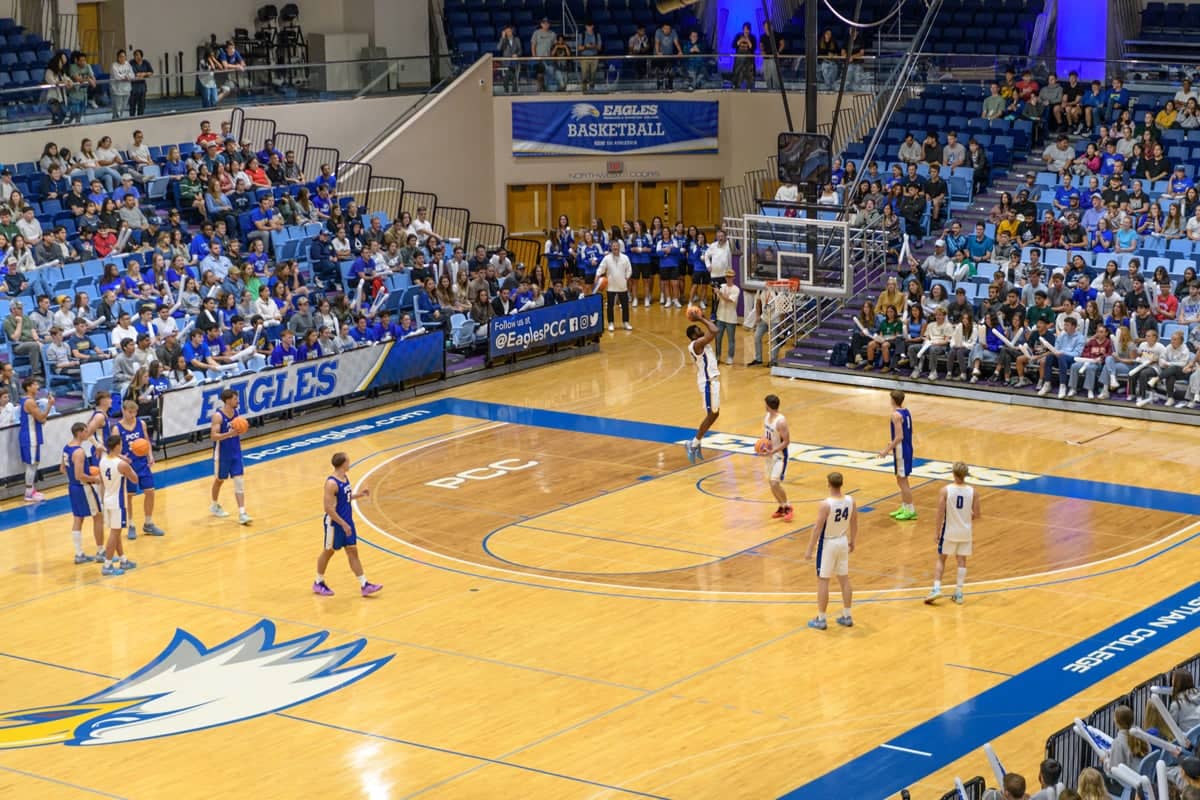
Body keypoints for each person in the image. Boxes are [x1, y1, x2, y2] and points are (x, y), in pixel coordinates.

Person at [313, 452, 383, 597]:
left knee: (352, 551)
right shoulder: (331, 483)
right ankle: (318, 582)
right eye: (348, 461)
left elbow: (346, 497)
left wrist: (360, 495)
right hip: (334, 523)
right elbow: (328, 508)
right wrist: (343, 524)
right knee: (328, 551)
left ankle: (364, 584)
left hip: (346, 521)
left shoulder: (344, 478)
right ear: (343, 464)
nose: (349, 464)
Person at [804, 472, 857, 630]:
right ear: (841, 484)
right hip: (842, 540)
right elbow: (855, 523)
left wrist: (809, 549)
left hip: (828, 543)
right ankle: (847, 615)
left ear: (828, 484)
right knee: (844, 579)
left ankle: (821, 619)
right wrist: (853, 540)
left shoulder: (826, 504)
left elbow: (817, 529)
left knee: (823, 580)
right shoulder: (850, 500)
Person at [923, 462, 978, 605]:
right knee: (962, 561)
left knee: (941, 559)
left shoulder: (946, 490)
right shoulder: (973, 491)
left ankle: (936, 588)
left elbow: (940, 513)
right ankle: (959, 593)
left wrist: (937, 532)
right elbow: (977, 514)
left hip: (949, 530)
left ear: (953, 473)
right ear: (966, 474)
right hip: (965, 532)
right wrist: (965, 516)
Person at [111, 398, 165, 539]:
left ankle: (148, 523)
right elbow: (113, 450)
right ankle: (131, 524)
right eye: (130, 412)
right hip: (128, 467)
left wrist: (150, 455)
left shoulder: (141, 424)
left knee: (150, 492)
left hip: (142, 464)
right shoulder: (117, 428)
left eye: (135, 412)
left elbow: (146, 441)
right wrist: (123, 458)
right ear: (123, 411)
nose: (132, 415)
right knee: (130, 497)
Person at [63, 421, 105, 565]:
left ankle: (79, 554)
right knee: (98, 516)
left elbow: (62, 469)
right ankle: (101, 552)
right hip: (83, 488)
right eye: (86, 432)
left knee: (78, 519)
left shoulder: (67, 447)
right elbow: (79, 475)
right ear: (80, 432)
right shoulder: (79, 452)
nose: (88, 434)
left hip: (72, 488)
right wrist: (95, 479)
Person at [97, 434, 138, 576]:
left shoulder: (102, 461)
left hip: (107, 500)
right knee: (114, 534)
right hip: (118, 503)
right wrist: (127, 463)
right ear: (118, 446)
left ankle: (123, 560)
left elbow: (101, 481)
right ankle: (107, 565)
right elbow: (135, 479)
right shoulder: (122, 464)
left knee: (117, 532)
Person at [209, 388, 251, 524]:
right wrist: (229, 434)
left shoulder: (237, 413)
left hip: (236, 452)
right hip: (222, 454)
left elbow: (237, 431)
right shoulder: (218, 416)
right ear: (228, 400)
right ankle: (214, 505)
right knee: (219, 479)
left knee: (239, 481)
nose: (237, 401)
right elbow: (213, 436)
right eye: (235, 399)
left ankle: (242, 513)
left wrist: (241, 429)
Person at [684, 313, 720, 463]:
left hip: (713, 381)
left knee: (715, 414)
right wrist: (700, 319)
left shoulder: (702, 342)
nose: (702, 330)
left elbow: (712, 329)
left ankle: (696, 442)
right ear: (694, 335)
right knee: (712, 413)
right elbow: (715, 330)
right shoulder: (696, 345)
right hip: (707, 382)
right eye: (699, 329)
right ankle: (693, 444)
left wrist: (702, 317)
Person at [878, 389, 916, 520]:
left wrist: (886, 450)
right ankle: (905, 506)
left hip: (901, 450)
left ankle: (910, 510)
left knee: (903, 481)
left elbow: (900, 436)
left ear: (892, 400)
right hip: (906, 447)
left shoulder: (895, 415)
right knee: (900, 480)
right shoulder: (906, 412)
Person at [19, 377, 54, 502]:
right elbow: (41, 418)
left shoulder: (29, 400)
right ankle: (28, 493)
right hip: (30, 436)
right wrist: (49, 406)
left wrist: (42, 416)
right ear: (28, 387)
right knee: (31, 464)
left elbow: (41, 419)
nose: (37, 386)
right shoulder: (29, 402)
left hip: (33, 434)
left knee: (34, 463)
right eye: (35, 384)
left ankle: (31, 489)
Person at [761, 394, 792, 522]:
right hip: (769, 454)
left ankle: (788, 506)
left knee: (775, 482)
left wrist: (773, 451)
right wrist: (762, 446)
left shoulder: (781, 421)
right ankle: (781, 506)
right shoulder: (767, 417)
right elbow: (766, 435)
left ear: (768, 405)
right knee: (771, 484)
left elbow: (786, 441)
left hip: (780, 456)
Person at [596, 239, 632, 331]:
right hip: (611, 287)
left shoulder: (625, 258)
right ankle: (611, 323)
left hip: (622, 286)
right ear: (611, 247)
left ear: (619, 247)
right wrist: (597, 275)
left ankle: (626, 322)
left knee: (625, 305)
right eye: (613, 246)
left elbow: (629, 269)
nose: (615, 247)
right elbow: (601, 268)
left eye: (617, 245)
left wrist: (627, 277)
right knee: (610, 306)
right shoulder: (607, 258)